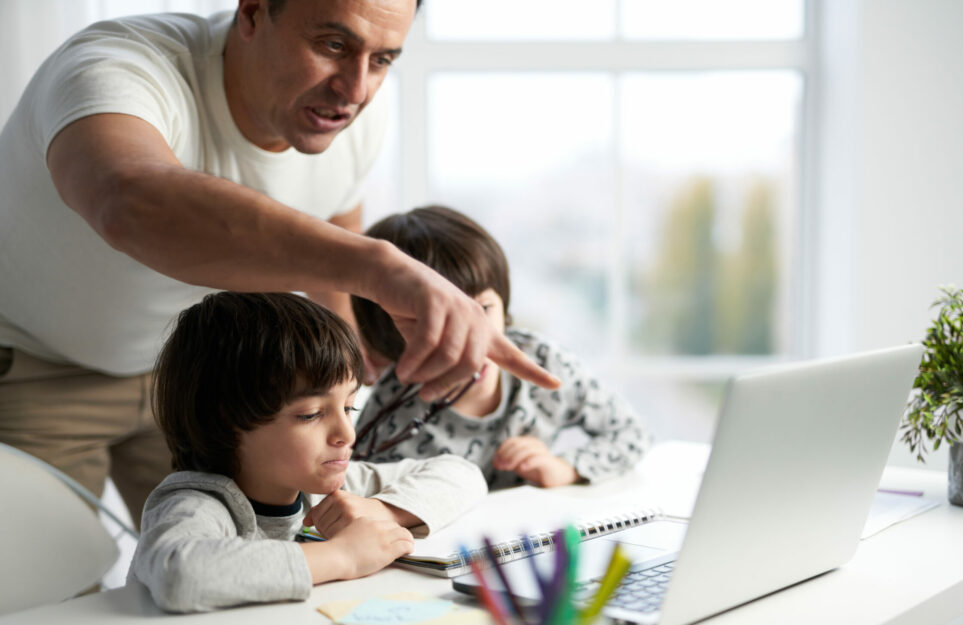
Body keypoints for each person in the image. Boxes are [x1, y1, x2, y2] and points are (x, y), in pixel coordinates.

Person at [0, 0, 557, 528]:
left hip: (204, 376)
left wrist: (357, 368)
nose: (356, 88)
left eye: (383, 59)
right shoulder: (119, 67)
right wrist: (382, 267)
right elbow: (129, 200)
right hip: (38, 367)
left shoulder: (350, 112)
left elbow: (336, 228)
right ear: (252, 11)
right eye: (333, 43)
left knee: (244, 572)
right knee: (47, 594)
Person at [128, 291, 488, 612]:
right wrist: (342, 555)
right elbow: (180, 574)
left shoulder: (328, 489)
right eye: (311, 414)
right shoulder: (197, 505)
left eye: (349, 407)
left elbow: (462, 474)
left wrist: (382, 509)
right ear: (228, 422)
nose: (346, 433)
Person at [351, 206, 651, 489]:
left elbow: (632, 434)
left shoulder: (544, 363)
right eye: (439, 322)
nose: (472, 335)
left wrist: (563, 467)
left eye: (483, 307)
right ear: (392, 335)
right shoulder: (389, 416)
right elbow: (356, 492)